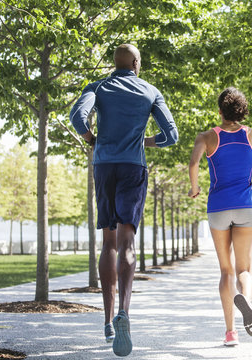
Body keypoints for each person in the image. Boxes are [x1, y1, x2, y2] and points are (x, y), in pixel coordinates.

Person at [70, 44, 178, 357]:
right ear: (135, 62)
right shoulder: (150, 91)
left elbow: (78, 116)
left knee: (109, 243)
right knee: (128, 243)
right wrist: (144, 141)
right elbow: (171, 135)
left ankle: (106, 322)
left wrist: (92, 138)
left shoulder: (98, 86)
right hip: (134, 166)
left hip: (103, 165)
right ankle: (124, 313)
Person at [188, 87, 252, 346]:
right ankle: (248, 300)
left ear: (220, 111)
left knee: (225, 271)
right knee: (244, 268)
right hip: (245, 206)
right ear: (242, 110)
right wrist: (249, 178)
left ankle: (230, 333)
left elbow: (194, 163)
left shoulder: (207, 137)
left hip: (218, 208)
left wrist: (195, 187)